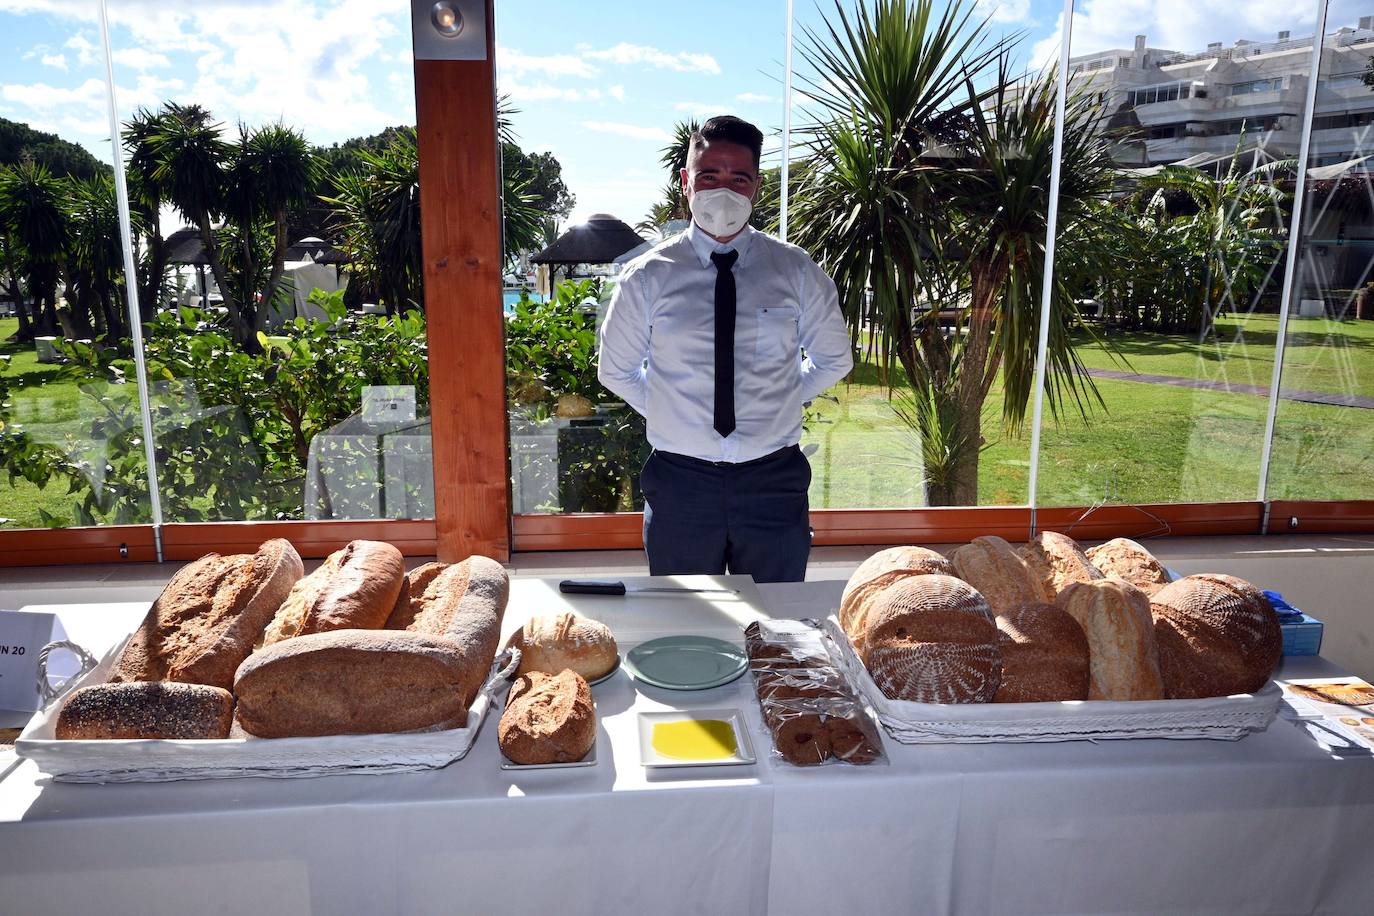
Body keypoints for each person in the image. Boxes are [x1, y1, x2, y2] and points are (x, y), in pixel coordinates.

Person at [597, 115, 853, 583]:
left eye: (739, 178)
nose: (723, 191)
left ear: (757, 186)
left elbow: (835, 358)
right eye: (709, 175)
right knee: (687, 626)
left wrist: (779, 398)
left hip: (772, 481)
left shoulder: (795, 270)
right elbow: (617, 371)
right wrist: (671, 410)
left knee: (778, 623)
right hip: (681, 484)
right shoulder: (648, 276)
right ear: (686, 182)